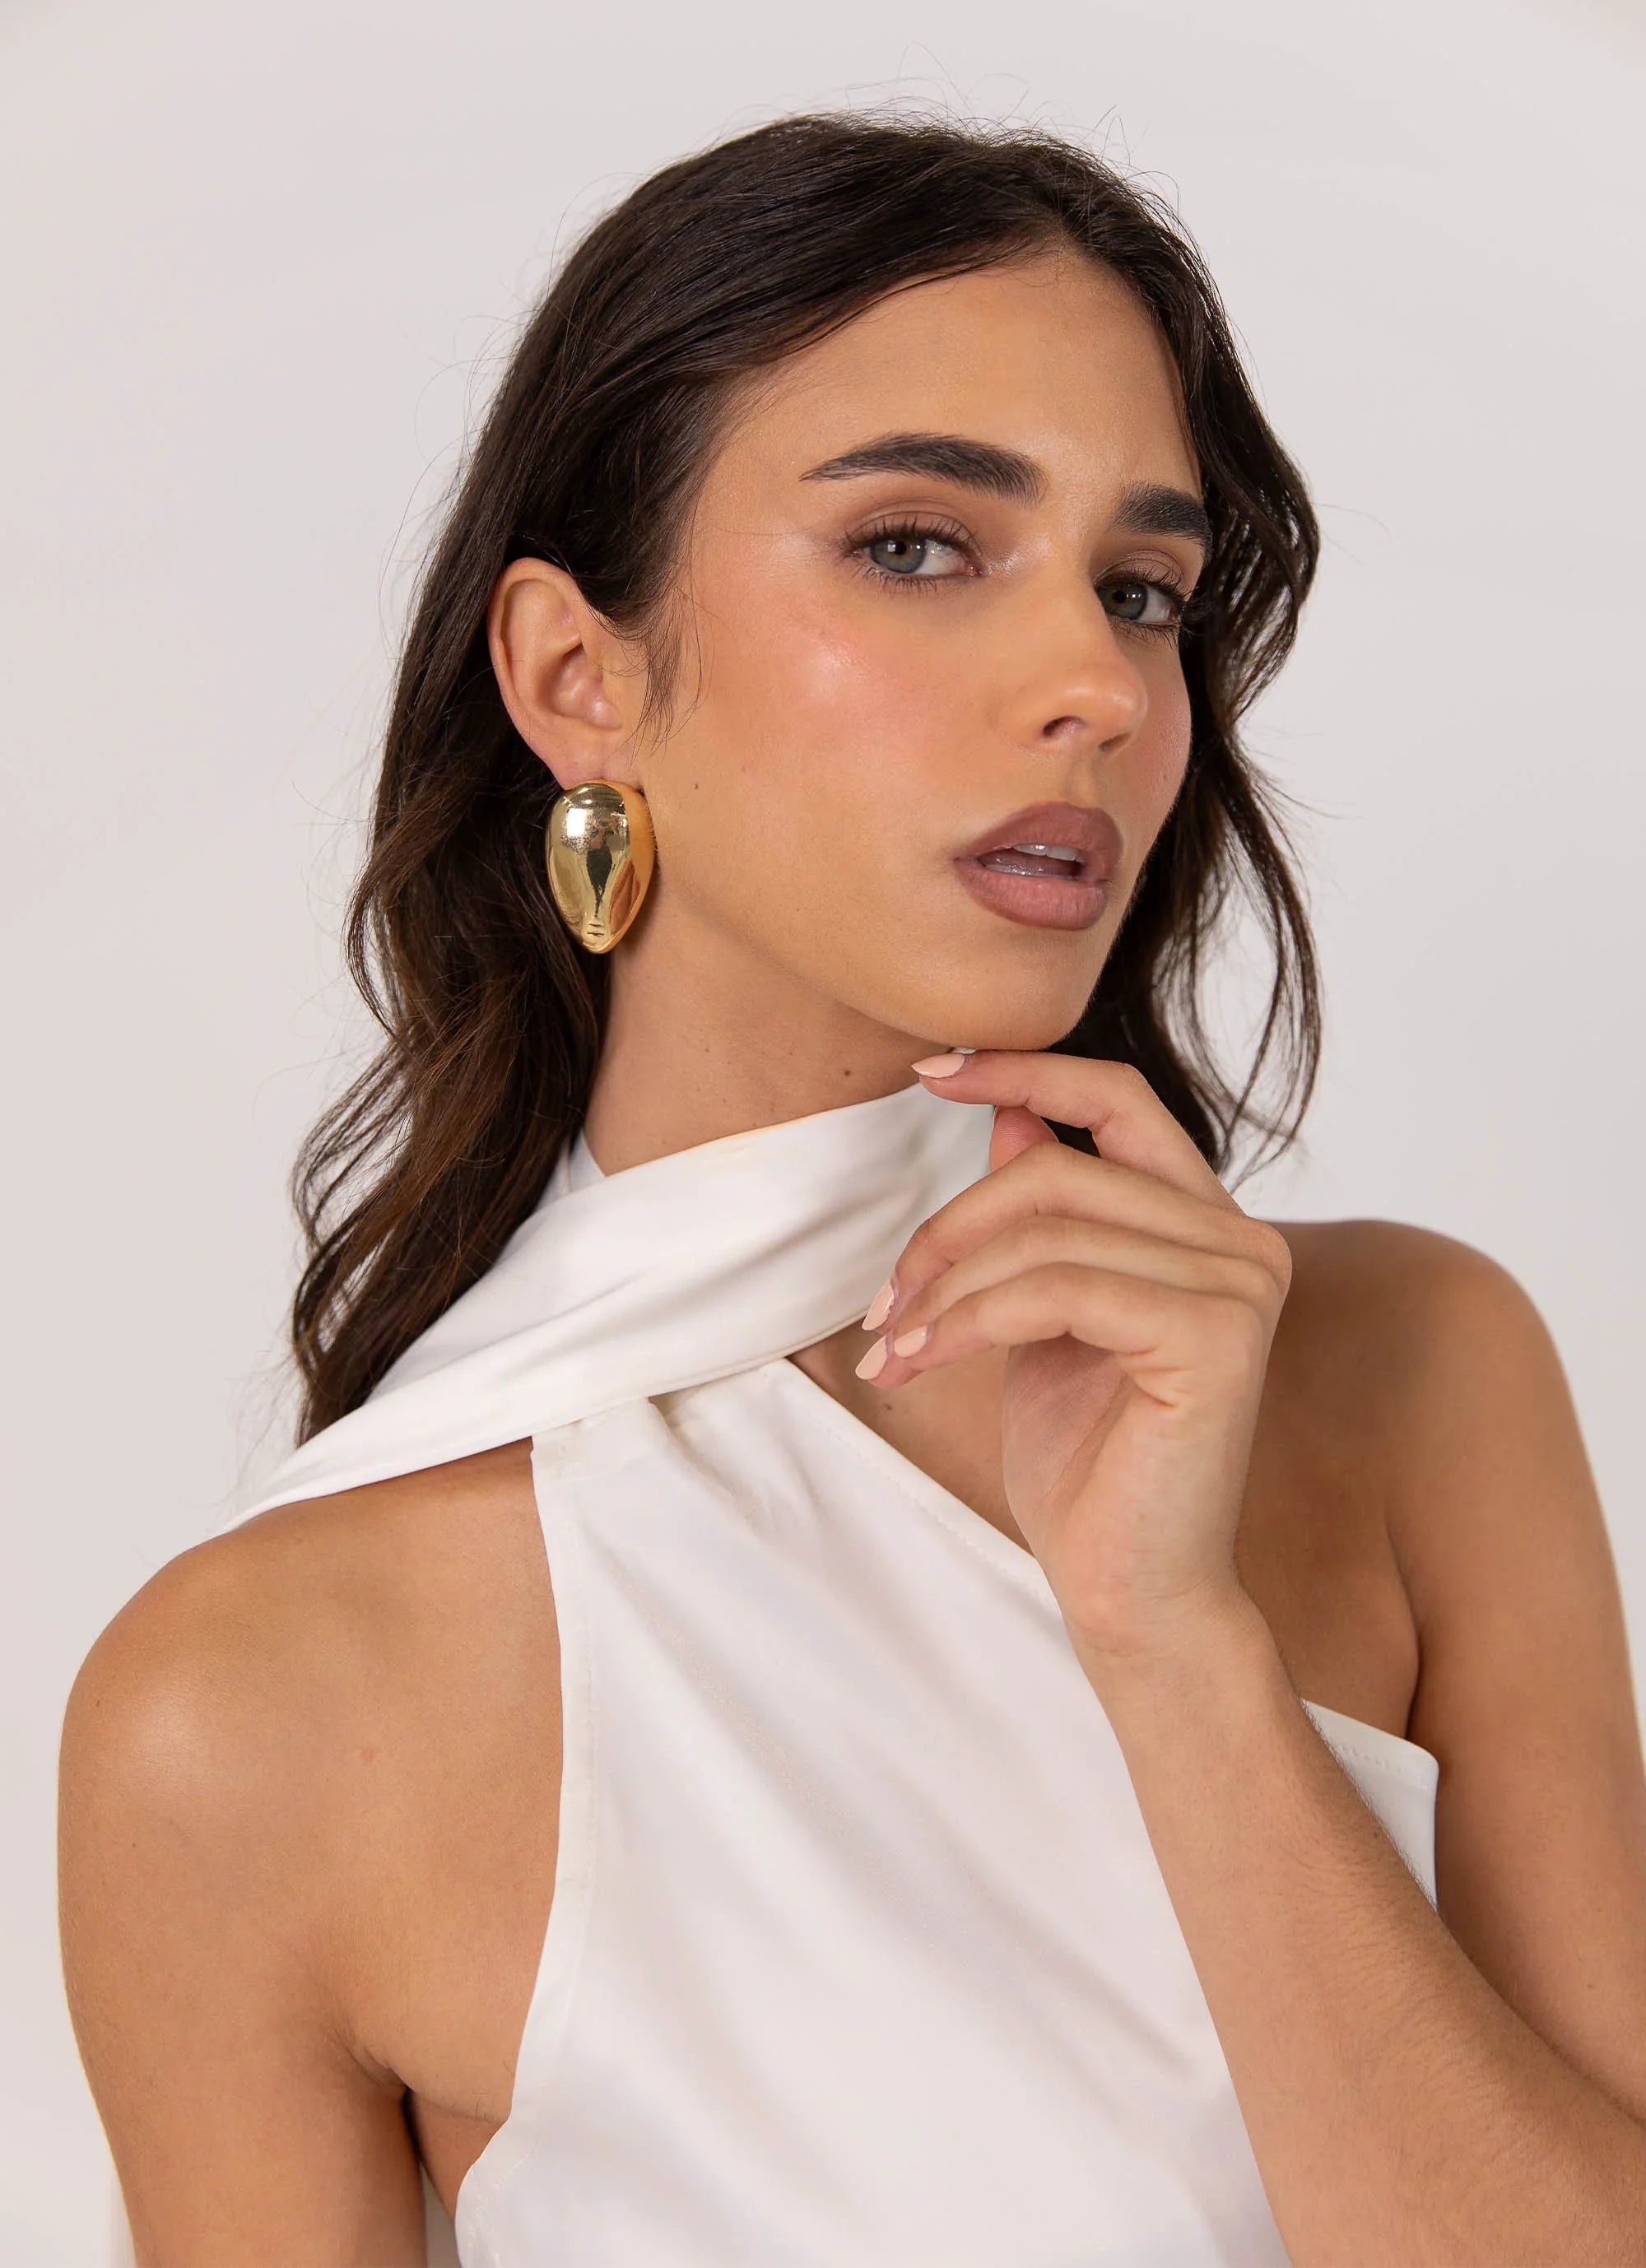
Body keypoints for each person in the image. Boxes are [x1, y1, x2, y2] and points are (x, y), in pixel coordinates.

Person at [58, 108, 1646, 2268]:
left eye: (1144, 588)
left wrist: (1177, 1649)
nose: (1097, 684)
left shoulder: (1411, 1375)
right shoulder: (251, 1706)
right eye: (916, 545)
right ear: (577, 677)